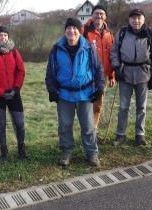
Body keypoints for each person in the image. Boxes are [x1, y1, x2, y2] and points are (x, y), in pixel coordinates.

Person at [45, 18, 105, 167]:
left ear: (80, 30)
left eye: (74, 28)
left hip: (85, 94)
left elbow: (98, 70)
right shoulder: (56, 49)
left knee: (88, 126)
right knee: (65, 125)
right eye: (68, 28)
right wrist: (51, 90)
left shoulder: (89, 48)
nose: (71, 31)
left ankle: (91, 153)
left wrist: (100, 89)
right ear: (65, 31)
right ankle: (66, 152)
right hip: (64, 95)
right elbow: (50, 73)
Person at [110, 9, 152, 146]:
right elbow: (114, 52)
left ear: (143, 19)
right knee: (123, 107)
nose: (136, 21)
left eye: (139, 18)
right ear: (129, 20)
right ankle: (121, 134)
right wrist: (116, 68)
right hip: (125, 73)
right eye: (133, 18)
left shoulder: (150, 33)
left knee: (141, 107)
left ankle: (140, 135)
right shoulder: (122, 33)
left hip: (143, 74)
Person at [0, 26, 28, 161]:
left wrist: (16, 89)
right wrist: (0, 92)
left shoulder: (14, 51)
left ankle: (21, 151)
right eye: (0, 35)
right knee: (1, 124)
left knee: (20, 123)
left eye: (5, 35)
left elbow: (20, 71)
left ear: (8, 37)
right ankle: (4, 153)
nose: (3, 37)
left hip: (14, 94)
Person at [81, 4, 116, 140]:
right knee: (86, 105)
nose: (99, 16)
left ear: (105, 16)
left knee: (98, 105)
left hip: (103, 77)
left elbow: (111, 56)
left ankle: (93, 132)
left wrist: (112, 75)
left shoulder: (109, 34)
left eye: (101, 14)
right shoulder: (84, 31)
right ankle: (86, 131)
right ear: (92, 15)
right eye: (96, 13)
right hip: (87, 76)